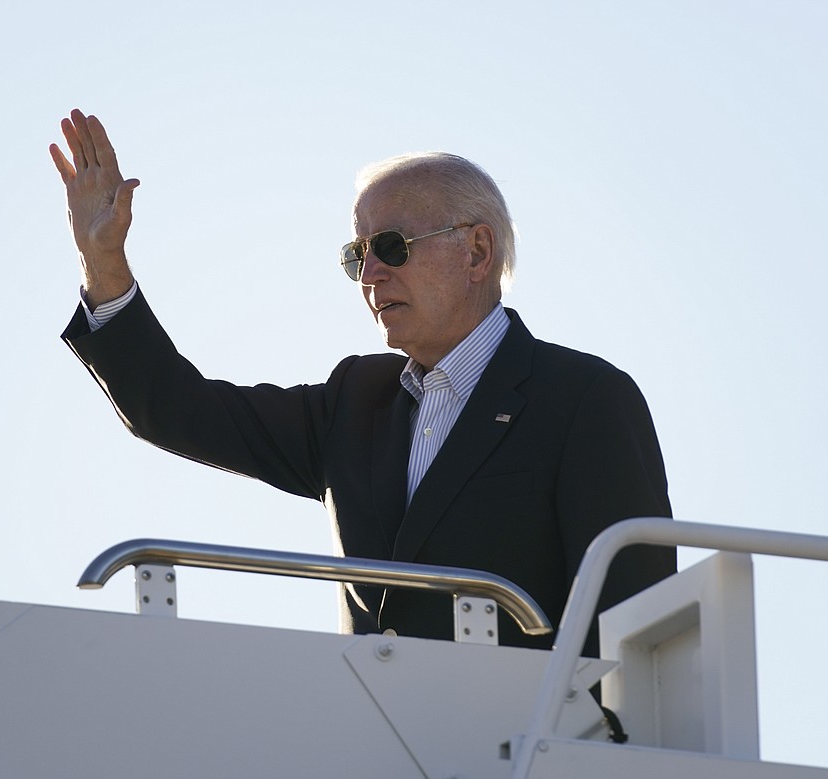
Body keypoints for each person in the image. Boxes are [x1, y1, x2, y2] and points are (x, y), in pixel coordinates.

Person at [52, 109, 674, 656]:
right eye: (357, 256)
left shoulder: (583, 397)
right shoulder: (356, 401)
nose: (370, 273)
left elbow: (631, 618)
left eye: (392, 246)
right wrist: (102, 263)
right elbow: (178, 409)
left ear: (477, 253)